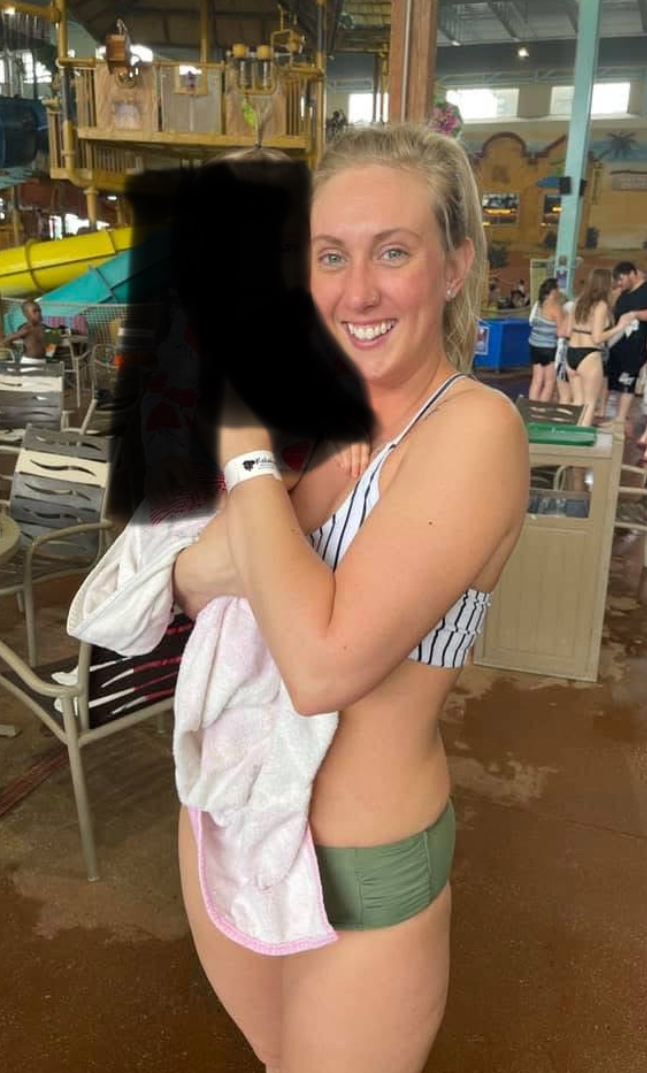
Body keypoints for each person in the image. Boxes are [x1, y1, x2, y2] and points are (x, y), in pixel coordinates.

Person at [172, 124, 529, 1073]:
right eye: (331, 255)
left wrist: (245, 460)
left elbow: (322, 666)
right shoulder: (318, 422)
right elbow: (191, 583)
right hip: (233, 820)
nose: (357, 290)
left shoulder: (474, 431)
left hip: (357, 865)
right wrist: (257, 521)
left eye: (392, 252)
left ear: (455, 265)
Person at [566, 269, 636, 428]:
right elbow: (597, 338)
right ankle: (581, 438)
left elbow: (568, 331)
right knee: (590, 403)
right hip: (589, 355)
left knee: (577, 402)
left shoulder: (578, 302)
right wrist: (620, 326)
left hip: (571, 354)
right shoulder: (601, 306)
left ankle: (572, 435)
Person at [606, 261, 647, 434]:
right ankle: (615, 419)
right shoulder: (624, 292)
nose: (619, 283)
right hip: (617, 345)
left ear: (632, 274)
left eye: (621, 279)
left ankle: (620, 420)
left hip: (635, 346)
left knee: (627, 383)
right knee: (613, 383)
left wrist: (635, 314)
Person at [528, 277, 565, 402]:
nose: (560, 292)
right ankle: (541, 409)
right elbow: (560, 332)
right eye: (558, 289)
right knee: (549, 381)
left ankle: (532, 407)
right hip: (548, 348)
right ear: (553, 291)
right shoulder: (556, 307)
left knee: (537, 379)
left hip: (534, 345)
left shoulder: (539, 304)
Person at [4, 300, 47, 364]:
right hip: (29, 362)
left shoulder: (42, 327)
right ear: (26, 314)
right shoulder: (26, 329)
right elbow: (6, 340)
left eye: (39, 310)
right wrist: (16, 349)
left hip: (43, 361)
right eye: (35, 311)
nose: (38, 313)